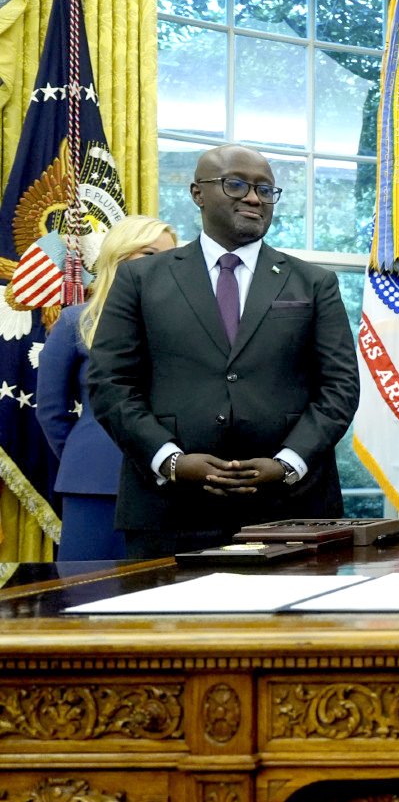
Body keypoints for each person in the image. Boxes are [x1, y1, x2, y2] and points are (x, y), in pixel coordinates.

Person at [88, 145, 359, 557]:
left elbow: (340, 387)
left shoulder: (314, 282)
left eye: (265, 190)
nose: (253, 198)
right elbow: (111, 383)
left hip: (291, 508)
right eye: (236, 184)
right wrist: (171, 460)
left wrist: (288, 463)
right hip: (168, 510)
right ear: (197, 193)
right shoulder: (140, 279)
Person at [37, 216, 176, 560]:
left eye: (171, 256)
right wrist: (87, 454)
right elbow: (51, 411)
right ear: (119, 256)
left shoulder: (184, 326)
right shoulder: (75, 321)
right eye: (149, 253)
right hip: (95, 481)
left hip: (170, 483)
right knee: (88, 584)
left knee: (163, 587)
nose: (162, 264)